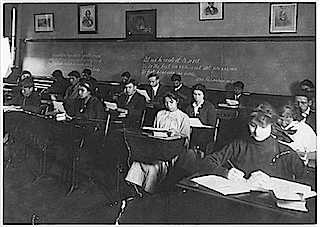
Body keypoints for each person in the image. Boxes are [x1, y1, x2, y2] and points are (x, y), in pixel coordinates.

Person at [195, 102, 315, 188]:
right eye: (252, 125)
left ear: (271, 126)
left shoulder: (285, 152)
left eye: (262, 127)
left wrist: (273, 183)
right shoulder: (238, 145)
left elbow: (310, 180)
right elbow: (206, 162)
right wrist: (225, 172)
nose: (256, 131)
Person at [125, 92, 190, 194]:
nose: (169, 105)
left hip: (171, 150)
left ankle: (149, 191)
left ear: (177, 102)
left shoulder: (183, 117)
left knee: (153, 167)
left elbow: (186, 140)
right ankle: (135, 188)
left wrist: (175, 134)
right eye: (166, 102)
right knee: (138, 163)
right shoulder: (160, 114)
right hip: (156, 147)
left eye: (171, 102)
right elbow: (154, 132)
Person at [186, 83, 217, 151]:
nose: (196, 97)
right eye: (195, 94)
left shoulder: (209, 107)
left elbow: (211, 125)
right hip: (191, 132)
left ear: (204, 95)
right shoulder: (189, 106)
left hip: (204, 134)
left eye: (199, 94)